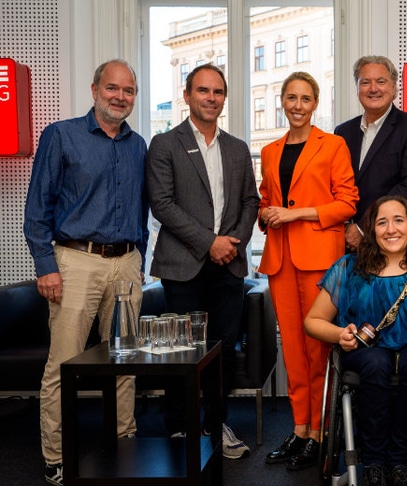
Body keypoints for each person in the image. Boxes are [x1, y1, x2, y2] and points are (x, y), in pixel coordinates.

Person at [23, 59, 149, 486]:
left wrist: (141, 260)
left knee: (125, 360)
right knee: (64, 363)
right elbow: (37, 209)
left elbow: (141, 208)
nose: (120, 96)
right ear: (95, 89)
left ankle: (124, 441)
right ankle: (56, 457)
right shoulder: (61, 135)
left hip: (127, 262)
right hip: (75, 261)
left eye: (128, 90)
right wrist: (46, 267)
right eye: (112, 88)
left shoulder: (138, 145)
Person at [304, 195, 407, 486]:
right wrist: (339, 335)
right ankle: (374, 463)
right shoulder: (349, 268)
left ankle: (400, 462)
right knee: (377, 362)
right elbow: (312, 322)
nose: (391, 229)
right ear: (372, 230)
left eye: (398, 220)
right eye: (382, 222)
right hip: (367, 351)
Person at [146, 63, 259, 459]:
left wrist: (232, 244)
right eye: (203, 91)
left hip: (227, 264)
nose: (211, 98)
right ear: (188, 95)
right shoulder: (165, 144)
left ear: (224, 98)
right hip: (184, 264)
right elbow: (162, 204)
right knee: (181, 350)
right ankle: (179, 427)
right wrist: (209, 242)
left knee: (222, 349)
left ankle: (217, 423)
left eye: (217, 92)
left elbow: (250, 202)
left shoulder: (237, 147)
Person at [259, 72, 359, 470]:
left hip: (320, 259)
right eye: (291, 98)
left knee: (318, 348)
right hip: (280, 259)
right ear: (282, 101)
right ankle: (300, 428)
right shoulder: (269, 151)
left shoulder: (332, 146)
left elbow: (348, 202)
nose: (297, 105)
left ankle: (321, 432)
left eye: (305, 98)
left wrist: (295, 213)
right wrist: (265, 215)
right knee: (295, 351)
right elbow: (267, 200)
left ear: (315, 103)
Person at [335, 55, 407, 249]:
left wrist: (363, 228)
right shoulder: (343, 132)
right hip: (351, 245)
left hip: (401, 242)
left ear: (394, 88)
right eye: (365, 82)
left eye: (381, 82)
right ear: (357, 89)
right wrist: (348, 226)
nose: (373, 89)